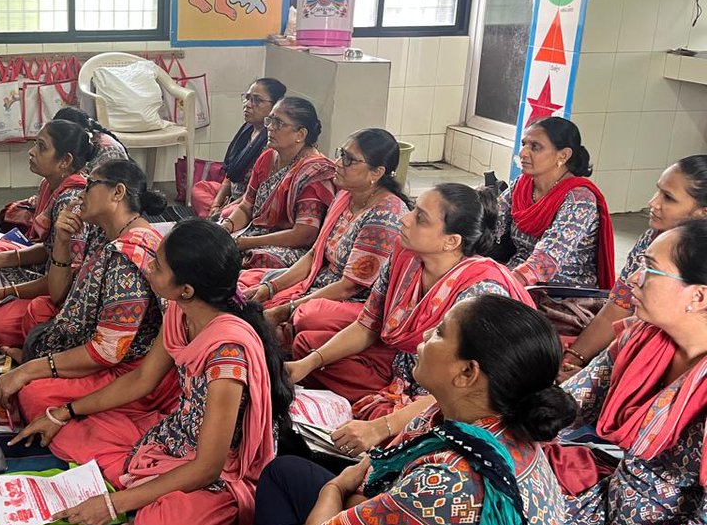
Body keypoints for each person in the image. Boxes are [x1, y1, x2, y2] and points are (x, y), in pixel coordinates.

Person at [153, 295, 576, 525]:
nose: (427, 333)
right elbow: (376, 482)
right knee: (285, 476)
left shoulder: (455, 481)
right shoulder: (477, 429)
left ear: (467, 372)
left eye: (441, 332)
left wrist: (333, 493)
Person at [10, 220, 293, 525]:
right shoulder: (181, 311)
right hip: (174, 435)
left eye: (157, 265)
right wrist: (65, 411)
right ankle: (151, 503)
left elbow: (207, 467)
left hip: (218, 470)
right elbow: (143, 379)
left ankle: (162, 508)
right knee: (53, 415)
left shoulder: (228, 357)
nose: (147, 267)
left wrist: (113, 505)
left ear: (186, 289)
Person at [549, 219, 707, 525]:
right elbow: (569, 403)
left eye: (650, 270)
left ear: (698, 296)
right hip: (615, 504)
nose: (633, 278)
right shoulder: (643, 339)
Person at [288, 185, 533, 438]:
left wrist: (381, 427)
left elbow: (464, 391)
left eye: (420, 218)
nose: (404, 219)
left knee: (395, 429)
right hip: (404, 364)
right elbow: (367, 325)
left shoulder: (479, 294)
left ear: (452, 241)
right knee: (308, 348)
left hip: (446, 390)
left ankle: (391, 418)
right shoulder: (406, 257)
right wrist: (306, 364)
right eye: (414, 210)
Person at [0, 159, 175, 424]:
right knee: (37, 312)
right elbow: (58, 297)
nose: (80, 194)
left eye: (90, 185)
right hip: (97, 339)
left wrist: (32, 369)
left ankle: (43, 370)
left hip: (126, 367)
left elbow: (108, 352)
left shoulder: (127, 259)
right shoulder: (106, 232)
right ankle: (42, 363)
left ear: (118, 192)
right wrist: (62, 242)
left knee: (33, 396)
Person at [240, 129, 408, 349]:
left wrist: (287, 308)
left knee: (305, 317)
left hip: (356, 300)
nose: (338, 162)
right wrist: (270, 287)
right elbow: (314, 254)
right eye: (341, 154)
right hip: (320, 280)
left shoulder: (384, 217)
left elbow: (349, 287)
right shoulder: (346, 195)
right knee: (247, 283)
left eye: (349, 160)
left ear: (376, 172)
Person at [560, 156, 707, 380]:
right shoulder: (653, 238)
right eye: (658, 191)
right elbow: (620, 304)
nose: (652, 202)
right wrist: (574, 359)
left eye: (668, 197)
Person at [0, 120, 94, 350]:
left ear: (65, 161)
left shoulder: (70, 203)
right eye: (35, 144)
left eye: (42, 147)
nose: (32, 152)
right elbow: (49, 249)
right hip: (50, 269)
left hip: (65, 295)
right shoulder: (50, 184)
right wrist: (1, 259)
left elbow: (63, 284)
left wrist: (0, 292)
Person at [493, 117, 615, 289]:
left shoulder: (580, 200)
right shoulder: (522, 186)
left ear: (563, 155)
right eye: (524, 145)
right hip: (517, 278)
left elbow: (547, 259)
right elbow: (492, 223)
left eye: (535, 147)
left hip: (559, 291)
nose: (523, 153)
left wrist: (502, 285)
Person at [220, 96, 335, 269]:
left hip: (293, 247)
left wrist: (246, 243)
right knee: (209, 240)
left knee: (249, 259)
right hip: (254, 234)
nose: (270, 128)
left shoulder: (314, 173)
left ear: (301, 134)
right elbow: (246, 206)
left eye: (279, 123)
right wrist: (227, 227)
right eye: (270, 120)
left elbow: (305, 234)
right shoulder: (267, 157)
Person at [193, 77, 287, 219]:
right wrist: (216, 205)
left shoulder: (271, 143)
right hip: (233, 194)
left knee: (230, 213)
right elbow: (229, 176)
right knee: (200, 189)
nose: (248, 105)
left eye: (257, 100)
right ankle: (215, 217)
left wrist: (229, 206)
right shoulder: (247, 130)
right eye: (247, 98)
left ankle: (217, 219)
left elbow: (258, 195)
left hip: (249, 202)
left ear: (275, 107)